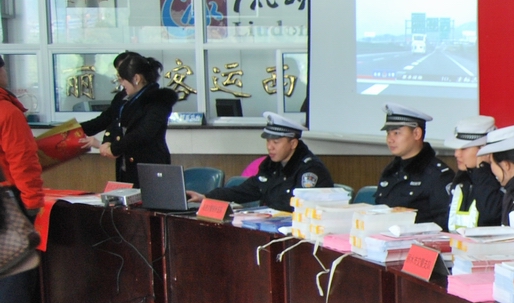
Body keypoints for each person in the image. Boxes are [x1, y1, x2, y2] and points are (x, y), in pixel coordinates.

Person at [0, 56, 51, 303]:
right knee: (15, 271)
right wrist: (32, 202)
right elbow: (23, 159)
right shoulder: (6, 111)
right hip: (6, 198)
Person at [189, 112, 333, 211]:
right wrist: (206, 197)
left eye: (276, 142)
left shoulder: (310, 170)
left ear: (293, 144)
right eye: (268, 141)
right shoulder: (271, 165)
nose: (270, 147)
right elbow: (246, 190)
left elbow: (302, 207)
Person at [79, 51, 177, 186]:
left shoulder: (158, 101)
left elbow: (143, 133)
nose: (121, 84)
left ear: (136, 78)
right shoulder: (126, 100)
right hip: (127, 167)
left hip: (150, 170)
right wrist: (107, 141)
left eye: (122, 79)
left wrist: (114, 148)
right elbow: (112, 121)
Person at [372, 105, 454, 228]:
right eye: (388, 133)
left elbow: (443, 224)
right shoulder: (391, 170)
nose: (390, 140)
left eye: (396, 133)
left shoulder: (438, 175)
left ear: (416, 133)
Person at [444, 115, 505, 230]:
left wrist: (482, 170)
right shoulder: (462, 178)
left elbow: (490, 214)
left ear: (484, 150)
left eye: (463, 149)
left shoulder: (501, 180)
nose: (456, 154)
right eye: (456, 148)